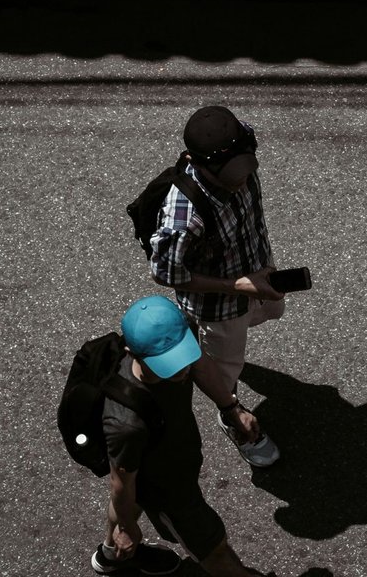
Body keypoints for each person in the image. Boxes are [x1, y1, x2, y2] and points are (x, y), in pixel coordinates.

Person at [147, 105, 286, 468]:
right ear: (195, 161)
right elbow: (164, 273)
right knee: (223, 369)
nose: (240, 180)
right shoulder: (182, 214)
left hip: (255, 276)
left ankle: (220, 355)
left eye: (245, 169)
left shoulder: (238, 145)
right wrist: (237, 285)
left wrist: (255, 277)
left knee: (270, 312)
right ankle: (232, 415)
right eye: (229, 177)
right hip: (218, 305)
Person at [97, 295, 271, 577]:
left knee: (133, 496)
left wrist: (231, 408)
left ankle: (110, 557)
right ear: (131, 353)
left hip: (164, 458)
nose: (182, 368)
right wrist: (128, 529)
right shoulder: (126, 423)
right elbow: (121, 483)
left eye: (182, 355)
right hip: (169, 490)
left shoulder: (178, 334)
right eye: (169, 363)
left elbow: (200, 364)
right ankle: (120, 546)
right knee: (214, 552)